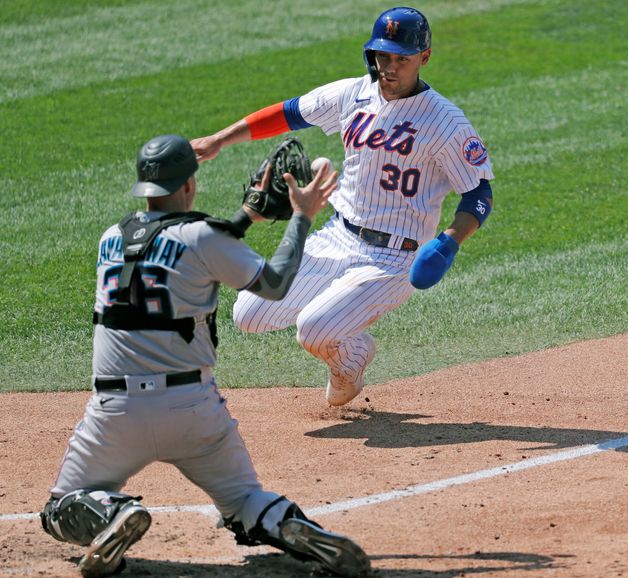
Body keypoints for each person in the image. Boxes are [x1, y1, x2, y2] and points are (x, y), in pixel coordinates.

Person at [39, 134, 370, 577]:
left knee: (60, 507)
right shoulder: (204, 239)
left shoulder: (111, 239)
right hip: (195, 411)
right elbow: (270, 284)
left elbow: (184, 249)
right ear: (190, 185)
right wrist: (301, 216)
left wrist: (247, 215)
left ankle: (109, 513)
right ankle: (283, 523)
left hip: (115, 415)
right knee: (243, 500)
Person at [191, 6, 494, 407]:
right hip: (338, 235)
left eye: (402, 59)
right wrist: (219, 139)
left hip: (393, 258)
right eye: (382, 56)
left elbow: (479, 193)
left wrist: (450, 242)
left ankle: (350, 360)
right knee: (249, 313)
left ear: (424, 57)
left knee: (313, 330)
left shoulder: (445, 123)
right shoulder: (352, 94)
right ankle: (352, 345)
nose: (390, 67)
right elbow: (289, 113)